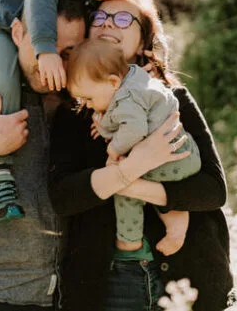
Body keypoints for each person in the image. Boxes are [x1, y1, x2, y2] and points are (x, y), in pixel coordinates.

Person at [0, 0, 186, 311]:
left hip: (66, 300)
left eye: (68, 53)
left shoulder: (81, 101)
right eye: (44, 48)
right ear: (17, 33)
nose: (51, 64)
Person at [0, 0, 168, 221]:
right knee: (4, 88)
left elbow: (133, 22)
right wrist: (45, 49)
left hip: (46, 42)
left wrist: (148, 66)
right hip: (0, 24)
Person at [49, 0, 234, 311]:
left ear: (142, 41)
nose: (108, 24)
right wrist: (136, 165)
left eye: (123, 18)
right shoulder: (76, 111)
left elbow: (212, 190)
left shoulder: (171, 99)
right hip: (110, 282)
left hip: (188, 275)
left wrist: (126, 182)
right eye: (100, 17)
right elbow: (64, 196)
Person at [65, 39, 201, 256]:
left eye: (88, 98)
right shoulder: (134, 78)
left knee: (124, 183)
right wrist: (105, 127)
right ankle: (169, 222)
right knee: (129, 177)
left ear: (113, 82)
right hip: (182, 152)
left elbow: (135, 129)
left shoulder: (126, 98)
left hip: (172, 158)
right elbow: (128, 118)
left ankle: (131, 239)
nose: (88, 105)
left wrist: (114, 149)